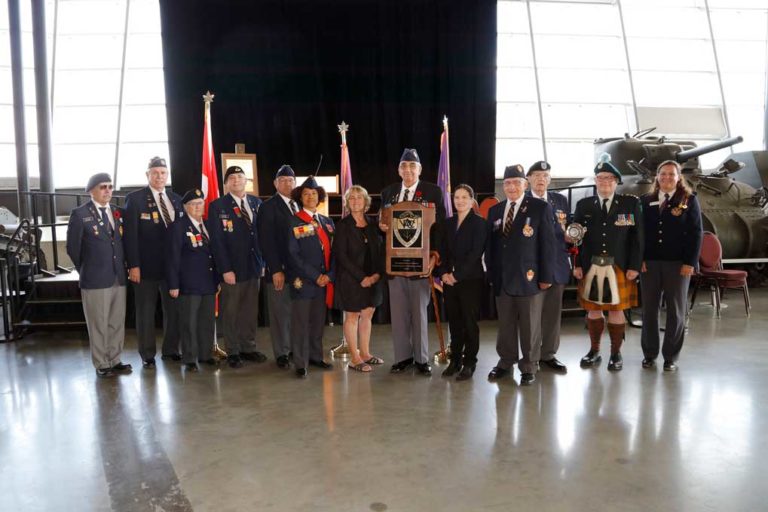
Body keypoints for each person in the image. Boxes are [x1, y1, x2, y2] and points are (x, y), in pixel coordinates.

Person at [485, 165, 555, 385]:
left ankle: (529, 365)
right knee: (505, 324)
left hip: (529, 278)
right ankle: (506, 361)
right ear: (503, 186)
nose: (512, 187)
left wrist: (546, 277)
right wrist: (491, 272)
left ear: (525, 184)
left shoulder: (539, 208)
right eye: (507, 183)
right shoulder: (496, 211)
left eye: (516, 182)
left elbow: (547, 245)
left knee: (530, 325)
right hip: (503, 279)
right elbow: (491, 246)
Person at [379, 148, 446, 376]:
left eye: (412, 166)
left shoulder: (432, 192)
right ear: (399, 170)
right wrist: (382, 227)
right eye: (404, 166)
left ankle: (421, 359)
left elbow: (441, 227)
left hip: (421, 264)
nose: (408, 170)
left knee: (419, 312)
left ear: (420, 170)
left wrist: (435, 255)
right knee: (398, 314)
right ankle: (403, 357)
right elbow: (384, 224)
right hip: (395, 265)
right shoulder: (388, 193)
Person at [572, 155, 643, 372]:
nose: (604, 182)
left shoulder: (631, 203)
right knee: (593, 311)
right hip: (591, 265)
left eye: (609, 179)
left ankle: (615, 353)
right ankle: (594, 351)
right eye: (600, 178)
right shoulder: (583, 205)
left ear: (616, 182)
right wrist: (577, 264)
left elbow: (638, 237)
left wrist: (634, 266)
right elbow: (576, 239)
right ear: (595, 181)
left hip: (619, 266)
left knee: (616, 310)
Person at [66, 173, 131, 378]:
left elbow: (122, 244)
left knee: (116, 322)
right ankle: (102, 363)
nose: (108, 191)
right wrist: (86, 268)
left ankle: (115, 358)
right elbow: (73, 249)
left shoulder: (118, 212)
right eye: (103, 187)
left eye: (110, 187)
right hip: (95, 278)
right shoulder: (80, 214)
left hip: (118, 276)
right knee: (98, 323)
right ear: (91, 190)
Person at [640, 160, 703, 372]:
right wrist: (639, 259)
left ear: (679, 177)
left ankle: (671, 357)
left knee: (676, 312)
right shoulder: (645, 200)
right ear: (657, 177)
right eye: (663, 174)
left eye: (671, 174)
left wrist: (690, 263)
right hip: (649, 264)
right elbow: (638, 234)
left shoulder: (689, 200)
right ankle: (649, 354)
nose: (667, 177)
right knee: (649, 310)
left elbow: (696, 234)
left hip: (678, 265)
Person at [123, 156, 183, 369]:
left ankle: (171, 349)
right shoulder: (135, 199)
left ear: (167, 175)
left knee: (173, 311)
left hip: (172, 269)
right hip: (145, 267)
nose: (159, 176)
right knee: (146, 312)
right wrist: (133, 265)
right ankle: (147, 354)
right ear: (147, 175)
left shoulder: (176, 199)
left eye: (163, 173)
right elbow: (130, 236)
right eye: (155, 172)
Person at [208, 165, 266, 369]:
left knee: (250, 310)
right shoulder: (218, 206)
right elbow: (217, 241)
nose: (236, 180)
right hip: (232, 269)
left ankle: (248, 347)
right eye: (231, 178)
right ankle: (233, 350)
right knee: (231, 310)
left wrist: (263, 262)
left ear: (246, 180)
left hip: (254, 266)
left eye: (240, 177)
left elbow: (263, 236)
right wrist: (225, 269)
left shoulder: (257, 203)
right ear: (226, 183)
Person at [286, 176, 335, 378]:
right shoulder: (295, 221)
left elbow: (335, 252)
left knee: (317, 322)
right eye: (306, 194)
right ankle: (300, 362)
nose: (310, 197)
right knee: (301, 323)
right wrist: (316, 276)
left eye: (314, 194)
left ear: (319, 197)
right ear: (300, 197)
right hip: (304, 282)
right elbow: (293, 254)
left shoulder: (327, 222)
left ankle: (316, 356)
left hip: (324, 281)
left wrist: (329, 275)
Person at [166, 189, 219, 372]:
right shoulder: (178, 227)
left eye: (200, 203)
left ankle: (205, 355)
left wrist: (217, 279)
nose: (198, 207)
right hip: (188, 284)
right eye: (193, 204)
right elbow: (172, 258)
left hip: (208, 283)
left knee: (206, 321)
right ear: (185, 207)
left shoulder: (208, 225)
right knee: (189, 322)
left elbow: (214, 255)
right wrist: (173, 284)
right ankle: (189, 358)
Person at [437, 184, 487, 381]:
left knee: (469, 323)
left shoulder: (479, 223)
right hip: (449, 281)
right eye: (456, 197)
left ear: (472, 200)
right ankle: (455, 360)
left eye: (464, 197)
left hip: (469, 280)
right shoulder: (447, 223)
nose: (460, 201)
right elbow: (441, 252)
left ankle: (469, 362)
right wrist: (444, 274)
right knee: (455, 323)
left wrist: (457, 275)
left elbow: (476, 254)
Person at [333, 185, 385, 373]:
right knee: (352, 316)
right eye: (352, 198)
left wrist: (376, 275)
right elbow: (341, 256)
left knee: (368, 314)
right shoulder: (342, 226)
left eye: (359, 198)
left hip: (373, 279)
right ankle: (355, 358)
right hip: (351, 279)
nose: (355, 201)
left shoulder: (373, 224)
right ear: (347, 203)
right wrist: (362, 277)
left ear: (366, 203)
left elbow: (381, 251)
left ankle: (365, 353)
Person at [526, 160, 570, 373]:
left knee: (553, 315)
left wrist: (571, 236)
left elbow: (566, 231)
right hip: (532, 269)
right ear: (528, 179)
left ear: (550, 179)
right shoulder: (523, 202)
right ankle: (531, 357)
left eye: (545, 176)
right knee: (532, 316)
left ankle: (548, 354)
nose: (541, 179)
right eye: (536, 175)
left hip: (557, 266)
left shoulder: (560, 200)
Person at [257, 164, 298, 369]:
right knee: (280, 313)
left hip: (299, 271)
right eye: (282, 180)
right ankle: (282, 352)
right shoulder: (268, 207)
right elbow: (266, 242)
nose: (287, 184)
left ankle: (295, 348)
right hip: (280, 269)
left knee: (297, 312)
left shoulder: (300, 203)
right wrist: (275, 269)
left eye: (290, 180)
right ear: (275, 184)